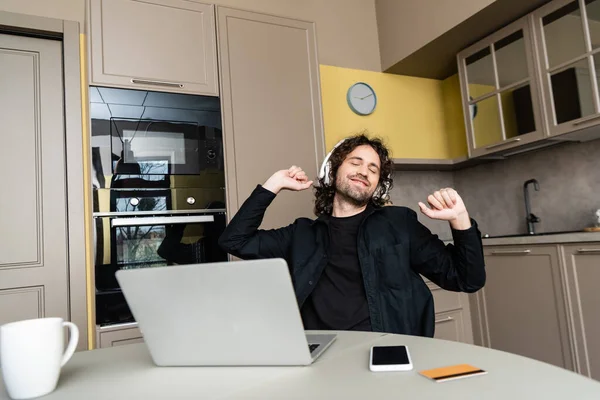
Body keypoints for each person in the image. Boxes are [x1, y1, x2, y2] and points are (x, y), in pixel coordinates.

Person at [218, 134, 485, 337]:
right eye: (355, 162)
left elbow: (466, 279)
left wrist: (460, 220)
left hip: (383, 350)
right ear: (333, 172)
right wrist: (273, 185)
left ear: (378, 185)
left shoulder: (399, 223)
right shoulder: (301, 234)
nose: (364, 171)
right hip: (319, 352)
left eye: (373, 169)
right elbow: (233, 241)